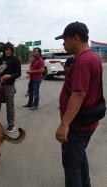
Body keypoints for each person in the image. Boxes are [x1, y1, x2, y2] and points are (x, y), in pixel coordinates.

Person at [55, 21, 102, 187]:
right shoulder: (92, 57)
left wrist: (64, 124)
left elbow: (78, 95)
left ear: (75, 38)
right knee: (80, 158)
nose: (63, 43)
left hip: (77, 125)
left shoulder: (82, 61)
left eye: (65, 39)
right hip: (87, 121)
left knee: (71, 166)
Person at [0, 42, 21, 133]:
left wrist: (9, 76)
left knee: (10, 106)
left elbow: (18, 74)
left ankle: (11, 125)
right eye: (6, 50)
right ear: (4, 51)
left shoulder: (16, 60)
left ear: (12, 51)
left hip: (10, 85)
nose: (8, 51)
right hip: (0, 85)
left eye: (10, 50)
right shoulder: (1, 59)